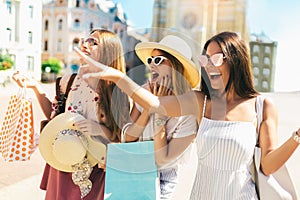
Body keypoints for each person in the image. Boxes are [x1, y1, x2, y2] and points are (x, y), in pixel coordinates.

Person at [75, 31, 300, 199]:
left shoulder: (262, 105)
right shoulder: (199, 102)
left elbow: (268, 166)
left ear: (236, 60)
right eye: (205, 59)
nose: (209, 65)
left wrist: (296, 137)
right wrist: (117, 77)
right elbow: (153, 104)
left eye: (216, 59)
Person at [12, 29, 129, 200]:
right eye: (86, 40)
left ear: (109, 52)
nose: (85, 44)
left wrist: (98, 128)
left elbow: (122, 136)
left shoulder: (117, 89)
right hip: (62, 158)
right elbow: (56, 118)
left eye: (94, 42)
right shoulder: (69, 81)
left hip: (95, 166)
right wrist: (36, 87)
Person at [121, 35, 199, 199]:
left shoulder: (189, 112)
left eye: (158, 60)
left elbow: (161, 160)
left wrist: (160, 111)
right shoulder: (143, 92)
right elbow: (128, 137)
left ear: (176, 67)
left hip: (163, 184)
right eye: (150, 59)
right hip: (131, 173)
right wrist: (149, 107)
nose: (151, 64)